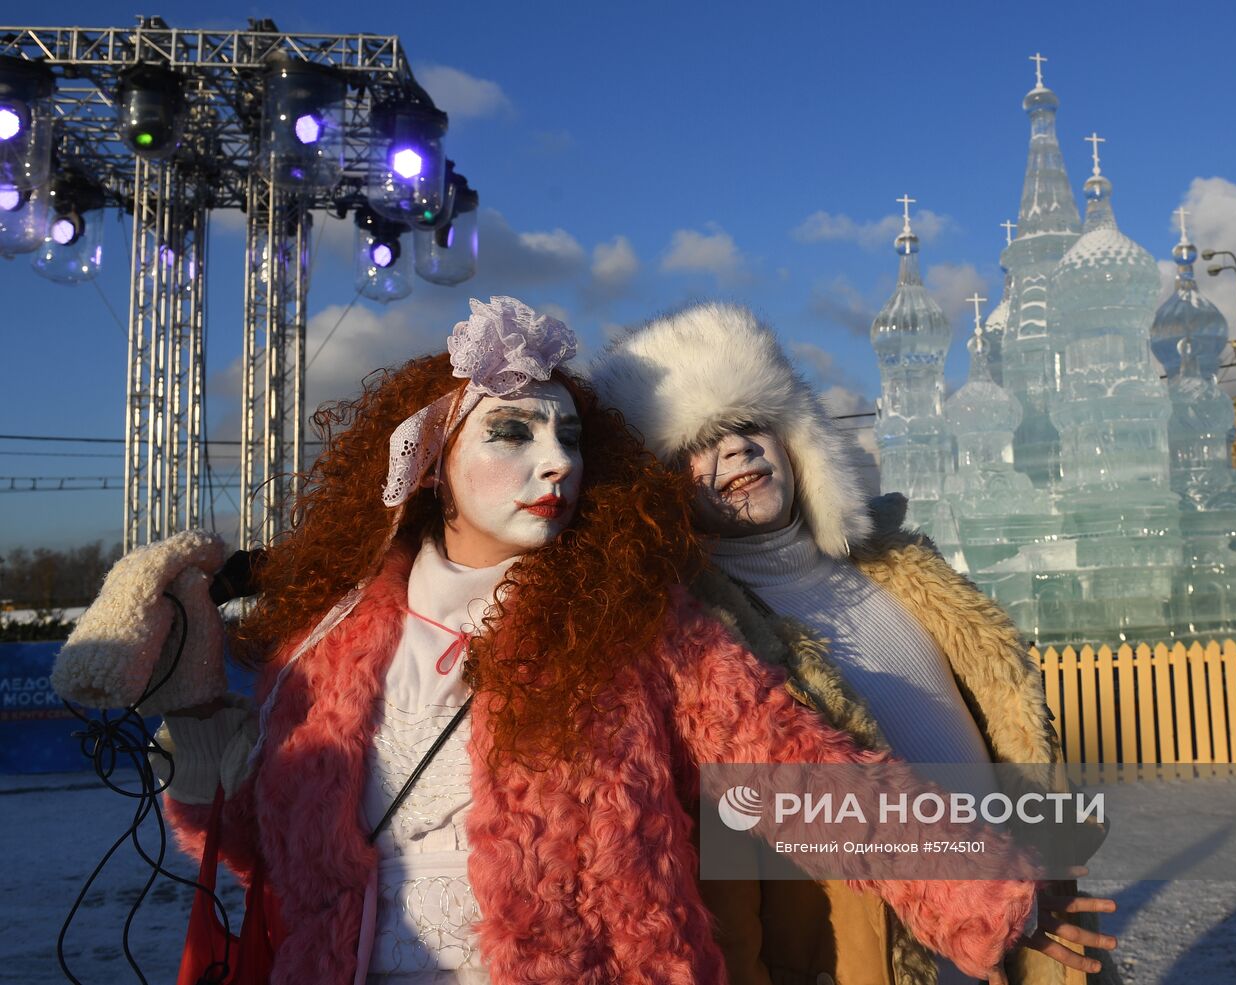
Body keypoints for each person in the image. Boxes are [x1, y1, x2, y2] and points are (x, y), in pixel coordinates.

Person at [53, 297, 1097, 985]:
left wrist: (990, 891)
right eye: (512, 431)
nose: (555, 460)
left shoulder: (634, 625)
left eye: (569, 434)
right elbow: (267, 856)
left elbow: (801, 772)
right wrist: (195, 727)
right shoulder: (327, 647)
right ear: (426, 460)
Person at [589, 301, 1118, 985]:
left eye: (752, 424)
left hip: (1019, 931)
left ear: (794, 437)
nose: (736, 450)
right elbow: (727, 881)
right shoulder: (698, 640)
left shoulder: (904, 569)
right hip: (865, 959)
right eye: (696, 445)